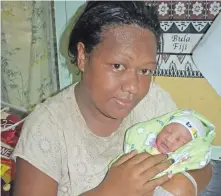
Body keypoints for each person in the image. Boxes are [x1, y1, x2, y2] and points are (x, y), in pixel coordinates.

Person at [13, 1, 212, 196]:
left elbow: (202, 162)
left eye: (145, 70)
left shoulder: (154, 100)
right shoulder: (46, 128)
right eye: (118, 66)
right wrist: (111, 191)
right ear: (82, 56)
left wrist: (184, 184)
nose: (133, 87)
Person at [117, 109, 215, 182]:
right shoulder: (144, 144)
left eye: (178, 139)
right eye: (168, 131)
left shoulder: (178, 162)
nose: (169, 139)